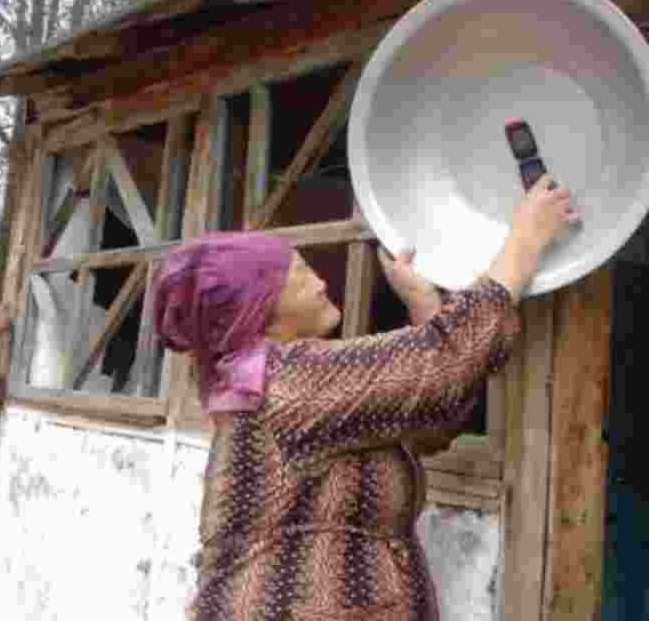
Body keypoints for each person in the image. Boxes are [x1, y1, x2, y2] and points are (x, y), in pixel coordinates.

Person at [153, 175, 578, 621]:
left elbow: (431, 422)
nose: (319, 281)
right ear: (260, 310)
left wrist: (422, 302)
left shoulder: (278, 379)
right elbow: (448, 364)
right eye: (297, 275)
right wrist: (525, 240)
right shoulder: (283, 383)